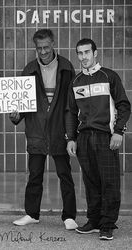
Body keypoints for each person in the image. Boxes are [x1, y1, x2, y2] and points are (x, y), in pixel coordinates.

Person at [9, 29, 78, 230]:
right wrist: (16, 116)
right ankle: (32, 214)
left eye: (46, 47)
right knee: (35, 175)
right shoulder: (29, 69)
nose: (43, 52)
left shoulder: (66, 68)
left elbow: (71, 104)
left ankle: (69, 216)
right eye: (39, 48)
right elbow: (21, 104)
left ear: (53, 43)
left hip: (59, 131)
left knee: (65, 175)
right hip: (37, 131)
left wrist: (71, 133)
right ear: (35, 47)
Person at [66, 38, 131, 240]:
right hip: (84, 138)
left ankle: (107, 224)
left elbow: (124, 106)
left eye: (87, 52)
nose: (83, 57)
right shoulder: (76, 82)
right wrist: (71, 138)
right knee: (91, 182)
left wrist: (119, 132)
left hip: (106, 137)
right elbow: (70, 112)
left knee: (109, 182)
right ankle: (94, 221)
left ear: (95, 53)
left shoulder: (109, 76)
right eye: (80, 53)